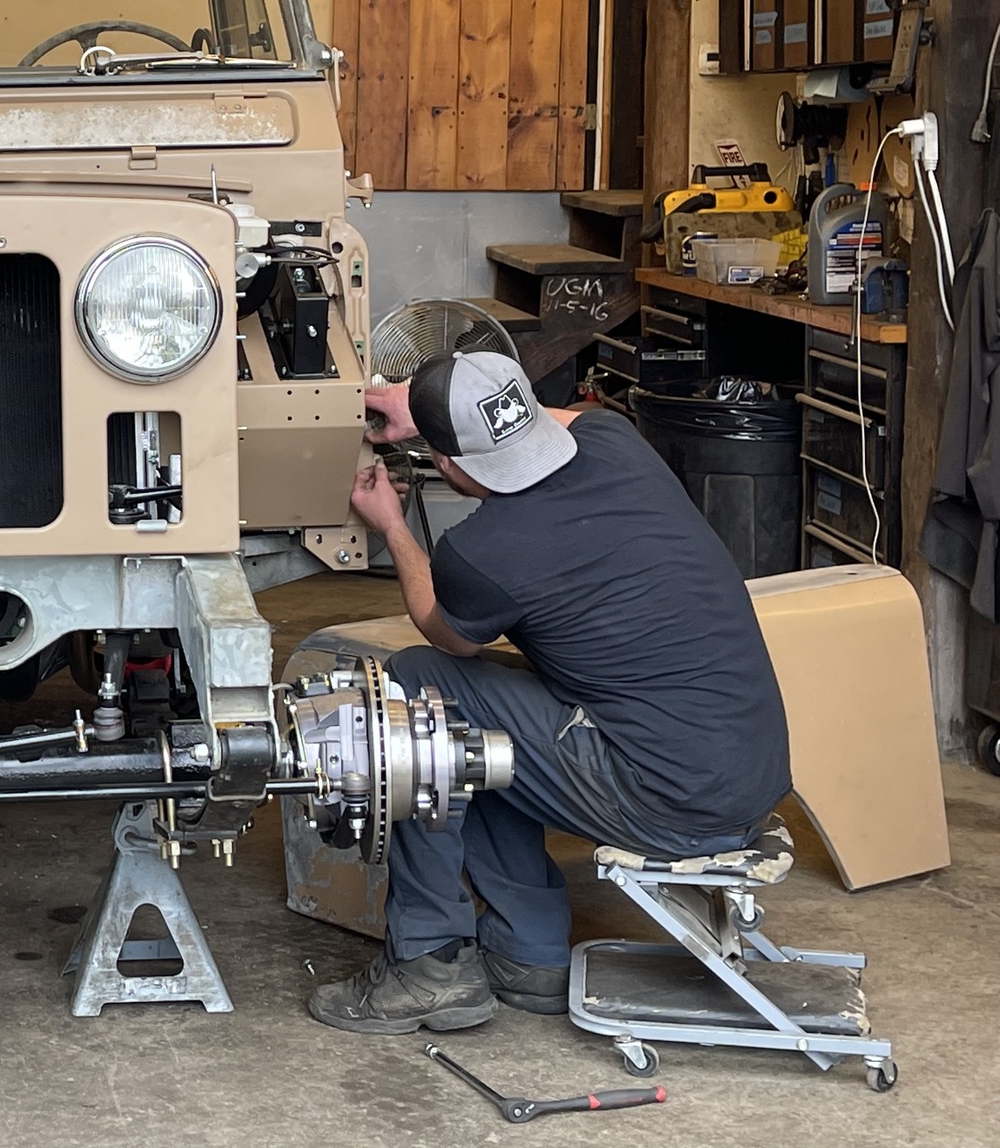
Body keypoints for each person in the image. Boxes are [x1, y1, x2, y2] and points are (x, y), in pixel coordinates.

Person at [307, 351, 791, 1034]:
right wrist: (425, 404)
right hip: (743, 775)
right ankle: (528, 954)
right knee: (484, 713)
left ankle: (429, 964)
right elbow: (565, 417)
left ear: (449, 466)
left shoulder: (486, 551)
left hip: (668, 800)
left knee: (422, 690)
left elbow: (447, 636)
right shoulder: (613, 438)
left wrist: (389, 523)